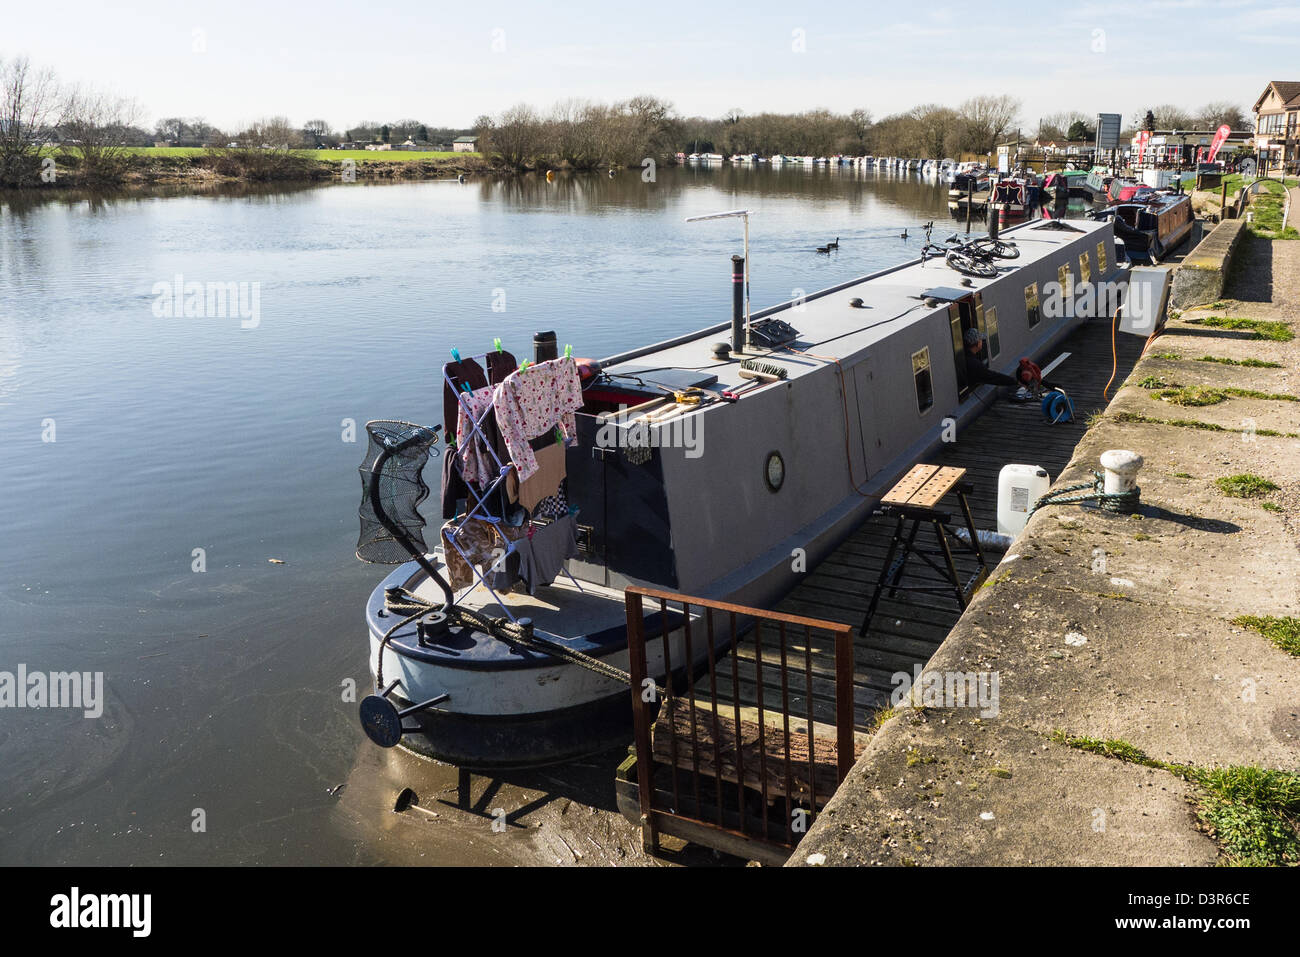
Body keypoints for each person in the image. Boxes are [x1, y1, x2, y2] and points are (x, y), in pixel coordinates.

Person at [963, 328, 1058, 392]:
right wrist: (1015, 382)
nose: (982, 342)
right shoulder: (974, 364)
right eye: (980, 340)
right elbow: (992, 377)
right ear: (976, 343)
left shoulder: (967, 358)